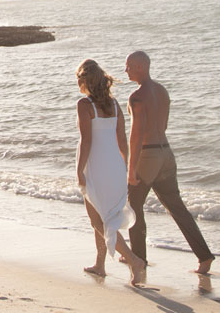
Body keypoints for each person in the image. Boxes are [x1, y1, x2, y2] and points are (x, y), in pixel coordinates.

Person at [124, 50, 215, 274]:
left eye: (129, 66)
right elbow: (163, 125)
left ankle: (139, 260)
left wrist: (131, 168)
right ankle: (204, 257)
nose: (125, 70)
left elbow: (136, 133)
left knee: (133, 207)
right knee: (177, 207)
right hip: (166, 153)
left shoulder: (137, 96)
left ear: (140, 67)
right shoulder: (162, 91)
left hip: (148, 155)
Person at [75, 59, 145, 285]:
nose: (78, 82)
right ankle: (100, 265)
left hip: (95, 165)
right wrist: (124, 167)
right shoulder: (114, 105)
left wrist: (79, 170)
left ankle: (134, 260)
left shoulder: (84, 105)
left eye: (79, 78)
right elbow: (122, 140)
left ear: (86, 80)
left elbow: (86, 141)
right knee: (106, 216)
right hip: (114, 165)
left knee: (99, 221)